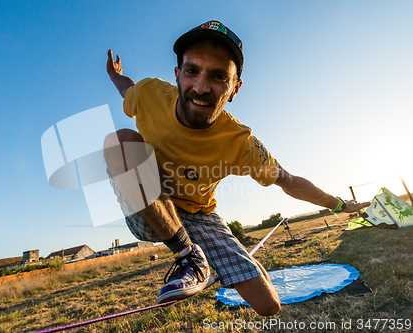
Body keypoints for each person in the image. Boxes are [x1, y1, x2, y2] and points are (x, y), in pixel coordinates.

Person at [104, 20, 369, 316]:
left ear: (234, 88)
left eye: (218, 77)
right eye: (192, 71)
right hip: (150, 208)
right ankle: (189, 256)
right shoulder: (151, 94)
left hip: (198, 214)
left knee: (268, 305)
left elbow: (290, 182)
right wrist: (116, 75)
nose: (201, 87)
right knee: (122, 141)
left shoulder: (240, 143)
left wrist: (340, 205)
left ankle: (202, 259)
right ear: (177, 75)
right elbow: (127, 89)